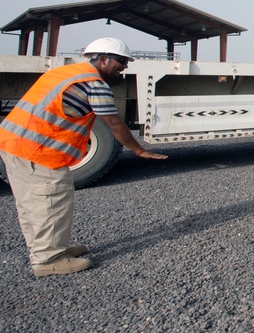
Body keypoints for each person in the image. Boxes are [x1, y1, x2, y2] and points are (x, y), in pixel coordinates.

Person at [0, 37, 168, 277]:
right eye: (121, 61)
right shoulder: (93, 84)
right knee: (50, 201)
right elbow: (114, 123)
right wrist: (139, 150)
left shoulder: (65, 72)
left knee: (31, 203)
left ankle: (49, 247)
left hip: (13, 143)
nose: (124, 67)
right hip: (38, 151)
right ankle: (49, 259)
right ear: (103, 59)